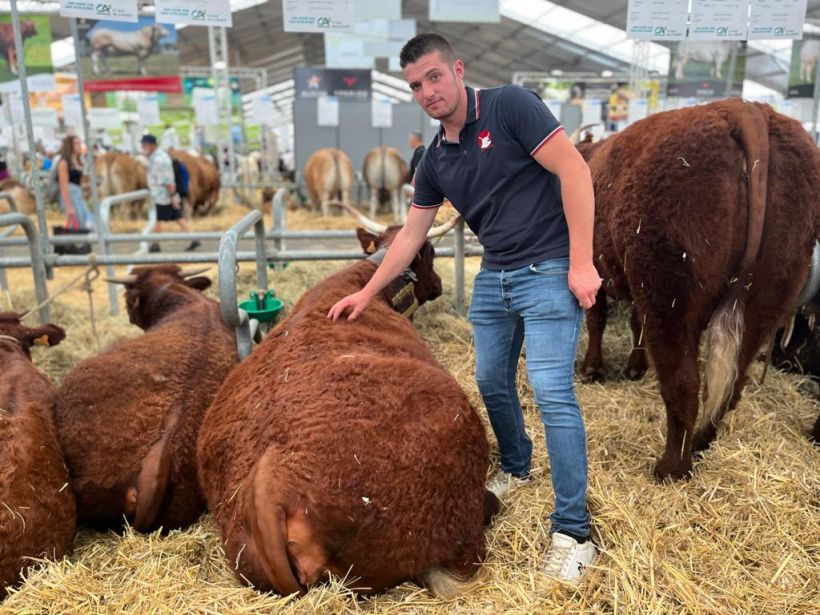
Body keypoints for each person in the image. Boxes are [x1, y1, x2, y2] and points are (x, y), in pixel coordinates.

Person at [327, 33, 601, 584]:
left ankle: (574, 531)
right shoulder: (433, 159)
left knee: (550, 389)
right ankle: (518, 467)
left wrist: (580, 263)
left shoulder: (511, 107)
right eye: (415, 86)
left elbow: (575, 171)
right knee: (490, 380)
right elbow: (409, 236)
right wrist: (369, 291)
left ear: (456, 69)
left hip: (548, 269)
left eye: (433, 77)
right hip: (495, 275)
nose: (427, 91)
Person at [141, 134, 200, 252]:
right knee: (177, 217)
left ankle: (155, 244)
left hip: (162, 196)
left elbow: (167, 181)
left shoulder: (159, 160)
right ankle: (194, 238)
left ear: (150, 145)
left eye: (143, 145)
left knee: (157, 218)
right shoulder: (157, 157)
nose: (142, 147)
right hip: (163, 194)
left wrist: (172, 196)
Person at [57, 134, 93, 230]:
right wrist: (69, 207)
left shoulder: (78, 161)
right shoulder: (64, 163)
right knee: (79, 221)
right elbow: (63, 185)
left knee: (88, 218)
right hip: (70, 193)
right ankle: (77, 242)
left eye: (79, 143)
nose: (79, 145)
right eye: (76, 143)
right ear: (70, 146)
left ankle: (82, 242)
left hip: (78, 193)